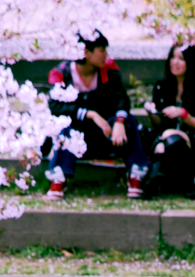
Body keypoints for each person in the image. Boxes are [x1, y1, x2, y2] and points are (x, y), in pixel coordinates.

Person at [45, 30, 150, 200]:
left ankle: (135, 174)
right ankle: (58, 177)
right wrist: (90, 114)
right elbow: (55, 105)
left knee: (129, 121)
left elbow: (121, 99)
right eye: (101, 50)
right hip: (76, 137)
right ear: (86, 53)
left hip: (107, 134)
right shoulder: (62, 73)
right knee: (63, 125)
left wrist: (119, 121)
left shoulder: (108, 70)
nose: (106, 55)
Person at [143, 43, 195, 200]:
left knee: (168, 138)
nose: (175, 62)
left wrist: (183, 115)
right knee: (161, 146)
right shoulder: (161, 86)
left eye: (181, 59)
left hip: (192, 137)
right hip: (165, 137)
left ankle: (153, 180)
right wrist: (151, 113)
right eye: (172, 57)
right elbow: (158, 125)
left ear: (190, 62)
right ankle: (194, 178)